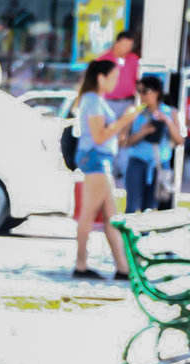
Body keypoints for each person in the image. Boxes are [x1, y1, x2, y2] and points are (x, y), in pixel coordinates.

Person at [72, 59, 139, 280]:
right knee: (89, 215)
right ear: (101, 78)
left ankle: (122, 268)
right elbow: (99, 135)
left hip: (101, 160)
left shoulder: (95, 100)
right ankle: (81, 265)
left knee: (112, 217)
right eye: (113, 78)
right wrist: (125, 120)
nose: (116, 82)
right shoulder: (92, 100)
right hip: (97, 160)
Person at [121, 76, 185, 213]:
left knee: (150, 208)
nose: (141, 95)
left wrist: (167, 121)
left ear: (157, 92)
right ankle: (127, 233)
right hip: (137, 162)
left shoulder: (170, 112)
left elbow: (180, 141)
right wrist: (143, 132)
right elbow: (124, 142)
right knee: (132, 206)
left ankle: (146, 234)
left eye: (145, 91)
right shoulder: (133, 112)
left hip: (160, 164)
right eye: (139, 91)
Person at [98, 31, 140, 177]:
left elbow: (138, 82)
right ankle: (107, 168)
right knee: (108, 133)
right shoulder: (104, 59)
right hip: (108, 102)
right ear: (117, 43)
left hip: (127, 102)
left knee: (124, 135)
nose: (127, 49)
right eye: (124, 45)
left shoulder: (134, 60)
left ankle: (122, 170)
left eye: (130, 45)